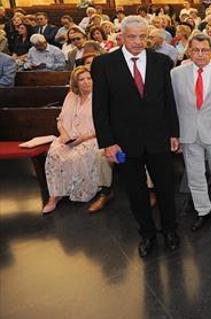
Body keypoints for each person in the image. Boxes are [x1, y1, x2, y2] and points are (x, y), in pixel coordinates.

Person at [91, 16, 180, 258]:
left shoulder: (162, 61)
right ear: (121, 37)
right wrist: (108, 142)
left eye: (143, 37)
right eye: (132, 37)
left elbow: (168, 101)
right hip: (124, 142)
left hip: (159, 137)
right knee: (136, 192)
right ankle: (147, 234)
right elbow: (100, 108)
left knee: (165, 188)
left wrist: (174, 132)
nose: (138, 42)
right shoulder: (104, 64)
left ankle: (170, 230)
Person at [171, 33, 211, 231]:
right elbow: (171, 105)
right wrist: (173, 133)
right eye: (196, 50)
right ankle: (202, 210)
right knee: (195, 174)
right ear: (189, 51)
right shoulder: (176, 74)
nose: (200, 55)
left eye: (205, 50)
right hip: (189, 133)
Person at [41, 67, 114, 214]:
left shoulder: (100, 97)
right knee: (54, 154)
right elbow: (60, 119)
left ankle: (79, 190)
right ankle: (55, 195)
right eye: (81, 79)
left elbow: (107, 125)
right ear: (76, 83)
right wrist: (64, 135)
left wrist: (82, 138)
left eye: (89, 78)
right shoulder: (71, 96)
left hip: (92, 138)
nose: (86, 82)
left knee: (76, 156)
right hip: (69, 137)